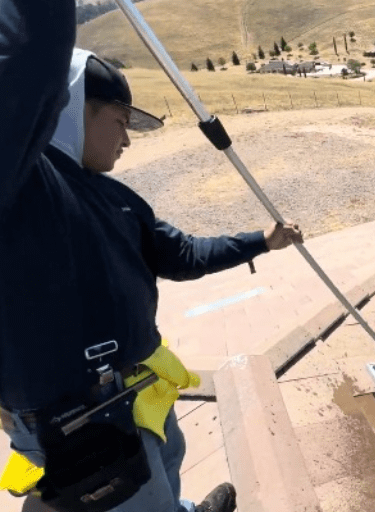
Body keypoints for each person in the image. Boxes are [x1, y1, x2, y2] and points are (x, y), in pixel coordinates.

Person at [0, 1, 303, 511]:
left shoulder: (116, 198)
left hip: (138, 394)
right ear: (70, 108)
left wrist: (261, 241)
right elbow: (33, 54)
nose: (125, 141)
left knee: (168, 465)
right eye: (118, 122)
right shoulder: (21, 185)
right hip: (81, 423)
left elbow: (179, 253)